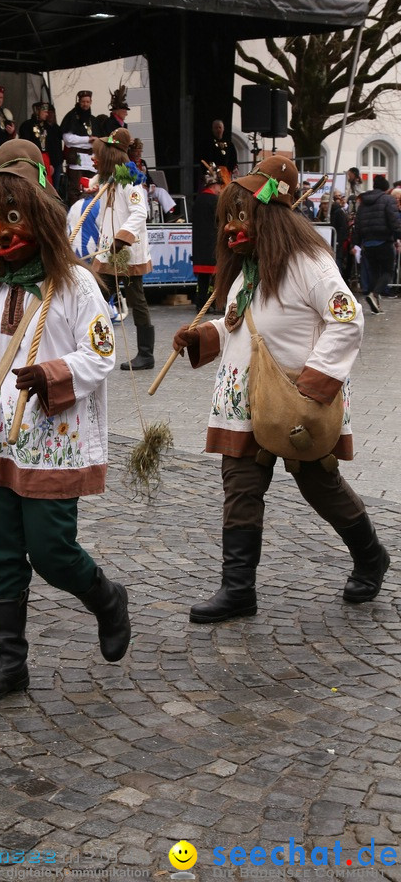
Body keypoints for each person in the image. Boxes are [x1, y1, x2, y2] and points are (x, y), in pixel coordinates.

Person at [0, 139, 131, 703]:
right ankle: (9, 662)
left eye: (13, 218)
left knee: (52, 550)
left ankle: (107, 598)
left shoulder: (77, 285)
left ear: (40, 218)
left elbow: (102, 353)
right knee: (3, 552)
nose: (1, 233)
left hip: (51, 441)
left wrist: (55, 374)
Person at [172, 157, 389, 623]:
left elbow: (347, 319)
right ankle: (238, 590)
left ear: (268, 214)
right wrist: (204, 336)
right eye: (228, 217)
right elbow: (238, 327)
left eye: (241, 215)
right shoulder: (248, 269)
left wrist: (315, 384)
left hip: (294, 400)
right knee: (241, 488)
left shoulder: (311, 264)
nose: (232, 227)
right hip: (243, 401)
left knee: (320, 486)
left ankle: (372, 557)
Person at [91, 127, 155, 370]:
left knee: (136, 299)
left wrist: (122, 238)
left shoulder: (130, 180)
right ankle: (92, 344)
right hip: (108, 250)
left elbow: (140, 212)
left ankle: (146, 354)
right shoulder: (111, 179)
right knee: (96, 295)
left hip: (126, 251)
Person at [354, 174, 401, 314]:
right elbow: (394, 221)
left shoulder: (363, 202)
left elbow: (358, 224)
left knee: (374, 273)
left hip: (368, 243)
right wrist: (398, 237)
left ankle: (376, 304)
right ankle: (374, 295)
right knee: (388, 271)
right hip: (384, 241)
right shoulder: (388, 200)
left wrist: (355, 244)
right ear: (386, 189)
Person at [192, 168, 222, 310]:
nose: (220, 189)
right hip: (212, 243)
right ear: (213, 186)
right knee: (216, 277)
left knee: (202, 279)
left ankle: (200, 303)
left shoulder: (198, 199)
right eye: (219, 186)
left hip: (199, 243)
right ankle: (215, 303)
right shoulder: (215, 200)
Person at [60, 90, 97, 205]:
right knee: (75, 189)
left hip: (91, 159)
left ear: (91, 102)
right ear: (79, 102)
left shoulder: (93, 120)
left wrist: (90, 141)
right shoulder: (71, 117)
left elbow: (98, 139)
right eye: (83, 102)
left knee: (92, 187)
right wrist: (87, 140)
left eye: (87, 102)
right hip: (77, 159)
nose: (85, 104)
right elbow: (68, 139)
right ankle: (75, 215)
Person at [19, 102, 58, 184]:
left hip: (45, 159)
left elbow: (51, 146)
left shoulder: (47, 127)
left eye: (47, 112)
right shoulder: (27, 126)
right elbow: (25, 144)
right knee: (36, 182)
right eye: (44, 112)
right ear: (37, 111)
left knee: (45, 183)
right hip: (33, 158)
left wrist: (52, 163)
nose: (46, 114)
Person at [202, 119, 238, 186]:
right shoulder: (208, 143)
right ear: (212, 129)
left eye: (220, 127)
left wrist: (233, 169)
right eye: (216, 128)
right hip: (213, 173)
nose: (218, 130)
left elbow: (233, 158)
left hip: (226, 173)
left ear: (223, 129)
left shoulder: (229, 144)